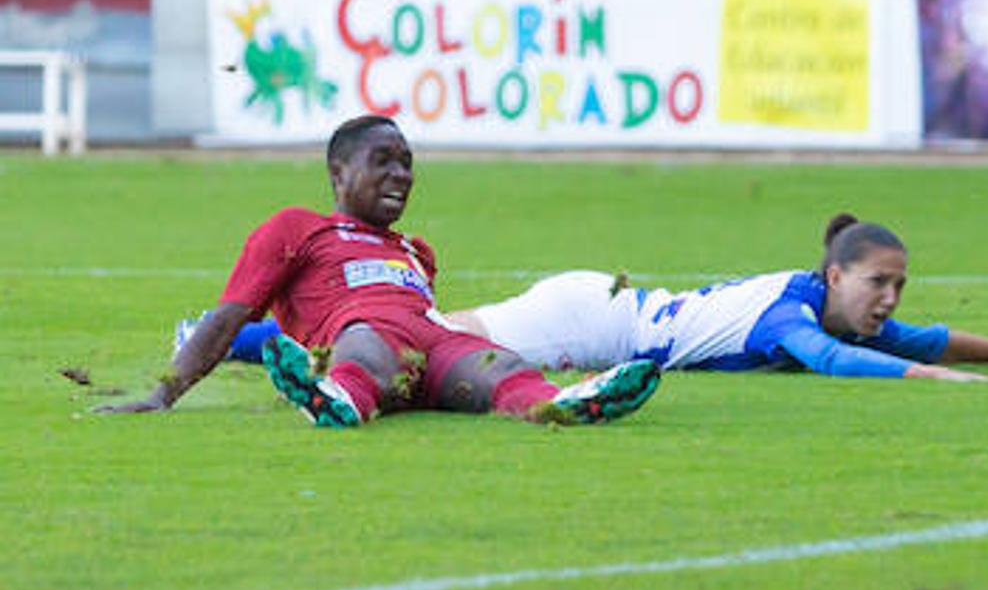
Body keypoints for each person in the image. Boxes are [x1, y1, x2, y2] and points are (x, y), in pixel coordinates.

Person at [98, 114, 660, 428]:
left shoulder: (416, 252)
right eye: (383, 161)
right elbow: (230, 316)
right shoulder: (297, 229)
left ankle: (560, 403)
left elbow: (428, 322)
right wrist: (163, 393)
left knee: (499, 364)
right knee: (367, 341)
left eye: (407, 163)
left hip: (432, 349)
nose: (402, 175)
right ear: (338, 174)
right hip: (361, 343)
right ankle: (336, 397)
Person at [192, 212, 988, 382]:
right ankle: (224, 338)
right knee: (417, 347)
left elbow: (926, 338)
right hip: (591, 321)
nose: (889, 300)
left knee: (420, 338)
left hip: (608, 308)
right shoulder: (789, 312)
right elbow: (833, 360)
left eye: (897, 285)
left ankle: (244, 343)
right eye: (877, 283)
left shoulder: (811, 298)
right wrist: (929, 385)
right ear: (835, 275)